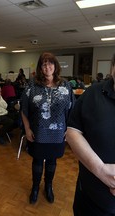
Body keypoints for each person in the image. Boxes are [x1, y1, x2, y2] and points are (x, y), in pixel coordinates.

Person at [20, 52, 75, 204]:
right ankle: (35, 187)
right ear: (40, 67)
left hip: (58, 133)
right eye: (44, 64)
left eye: (50, 63)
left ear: (55, 65)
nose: (47, 66)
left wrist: (69, 130)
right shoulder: (32, 85)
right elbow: (24, 109)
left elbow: (72, 110)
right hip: (38, 132)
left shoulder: (66, 85)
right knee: (37, 161)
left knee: (52, 161)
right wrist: (27, 129)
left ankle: (49, 186)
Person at [66, 53, 115, 215]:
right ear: (112, 68)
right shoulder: (93, 93)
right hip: (90, 198)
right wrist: (101, 170)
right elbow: (72, 131)